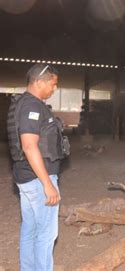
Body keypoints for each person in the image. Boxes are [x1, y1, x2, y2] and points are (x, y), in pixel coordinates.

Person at [7, 64, 68, 271]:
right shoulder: (32, 106)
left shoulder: (25, 103)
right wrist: (47, 185)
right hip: (38, 180)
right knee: (46, 233)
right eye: (53, 84)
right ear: (39, 82)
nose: (54, 89)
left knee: (30, 229)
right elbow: (29, 145)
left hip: (27, 177)